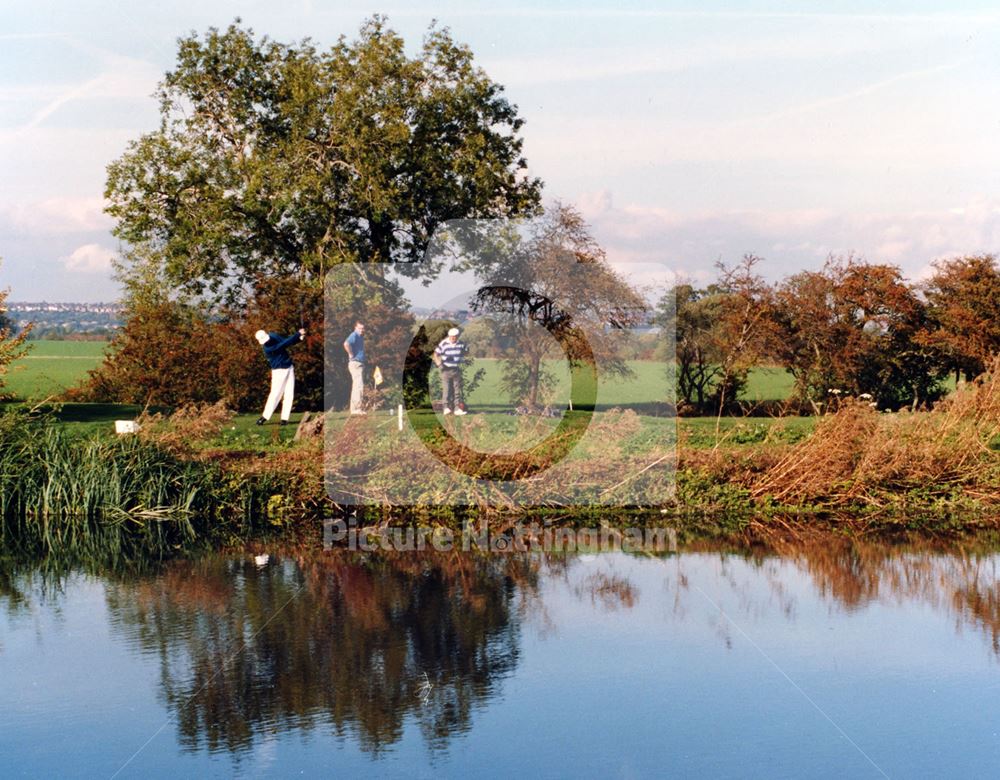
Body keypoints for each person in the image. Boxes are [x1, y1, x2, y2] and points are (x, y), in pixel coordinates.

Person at [255, 328, 306, 426]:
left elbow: (286, 341)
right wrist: (297, 334)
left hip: (289, 367)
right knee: (275, 394)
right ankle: (265, 417)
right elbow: (282, 345)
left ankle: (284, 419)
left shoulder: (273, 335)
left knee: (289, 394)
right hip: (278, 371)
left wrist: (298, 339)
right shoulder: (267, 348)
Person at [435, 326, 468, 415]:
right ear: (449, 336)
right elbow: (436, 354)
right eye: (451, 336)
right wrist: (439, 363)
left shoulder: (461, 344)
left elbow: (466, 351)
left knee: (457, 390)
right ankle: (446, 408)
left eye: (455, 336)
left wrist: (461, 358)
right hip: (445, 369)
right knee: (447, 389)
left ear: (457, 336)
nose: (453, 338)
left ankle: (457, 409)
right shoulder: (444, 344)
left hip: (456, 369)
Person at [343, 321, 366, 415]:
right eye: (359, 328)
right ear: (355, 328)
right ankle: (356, 409)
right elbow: (346, 343)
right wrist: (350, 353)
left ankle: (355, 408)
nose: (361, 330)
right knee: (359, 386)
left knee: (357, 386)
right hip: (355, 363)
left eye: (362, 328)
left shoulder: (360, 337)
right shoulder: (354, 335)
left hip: (359, 364)